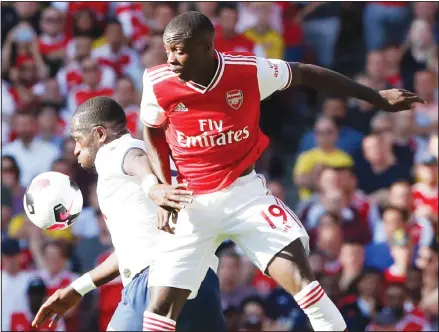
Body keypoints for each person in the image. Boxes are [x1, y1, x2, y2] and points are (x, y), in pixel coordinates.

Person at [139, 11, 424, 332]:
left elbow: (304, 73)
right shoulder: (157, 81)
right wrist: (163, 188)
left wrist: (374, 97)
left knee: (304, 283)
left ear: (207, 47)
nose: (171, 59)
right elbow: (152, 131)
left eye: (179, 50)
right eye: (168, 50)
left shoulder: (248, 70)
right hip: (190, 201)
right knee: (159, 312)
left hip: (244, 193)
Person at [31, 97, 225, 332]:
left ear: (100, 134)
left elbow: (135, 159)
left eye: (78, 140)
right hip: (201, 279)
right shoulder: (156, 158)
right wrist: (77, 289)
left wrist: (152, 186)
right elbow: (130, 251)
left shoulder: (116, 151)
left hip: (153, 282)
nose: (75, 149)